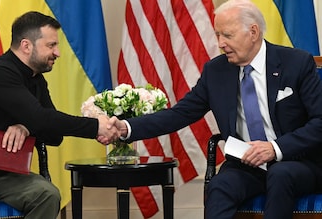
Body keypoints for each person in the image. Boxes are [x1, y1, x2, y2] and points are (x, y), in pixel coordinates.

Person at [107, 0, 322, 218]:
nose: (220, 43)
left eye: (227, 35)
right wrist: (126, 127)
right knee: (220, 185)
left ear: (253, 32)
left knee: (280, 174)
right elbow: (179, 114)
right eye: (218, 35)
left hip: (295, 162)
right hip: (246, 166)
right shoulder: (216, 71)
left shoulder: (296, 63)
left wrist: (274, 148)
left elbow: (319, 122)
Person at [0, 11, 120, 219]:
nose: (58, 52)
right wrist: (96, 127)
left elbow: (54, 136)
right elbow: (42, 119)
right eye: (51, 45)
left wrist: (25, 126)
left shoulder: (37, 80)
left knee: (47, 195)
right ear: (26, 45)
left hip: (5, 173)